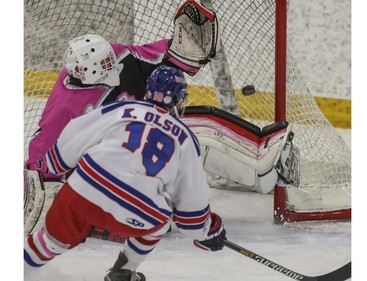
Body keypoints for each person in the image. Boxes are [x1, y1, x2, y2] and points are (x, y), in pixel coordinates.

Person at [24, 0, 220, 236]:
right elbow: (40, 158)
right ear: (90, 72)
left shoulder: (114, 56)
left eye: (110, 57)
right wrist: (45, 187)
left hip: (133, 140)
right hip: (103, 160)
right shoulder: (68, 108)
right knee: (156, 219)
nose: (114, 62)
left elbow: (154, 56)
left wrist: (180, 51)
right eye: (107, 63)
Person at [24, 66, 227, 281]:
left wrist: (57, 164)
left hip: (83, 190)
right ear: (179, 99)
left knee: (49, 244)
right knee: (161, 219)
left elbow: (75, 133)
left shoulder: (121, 108)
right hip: (137, 210)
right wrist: (206, 229)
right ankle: (123, 271)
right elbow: (191, 203)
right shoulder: (186, 138)